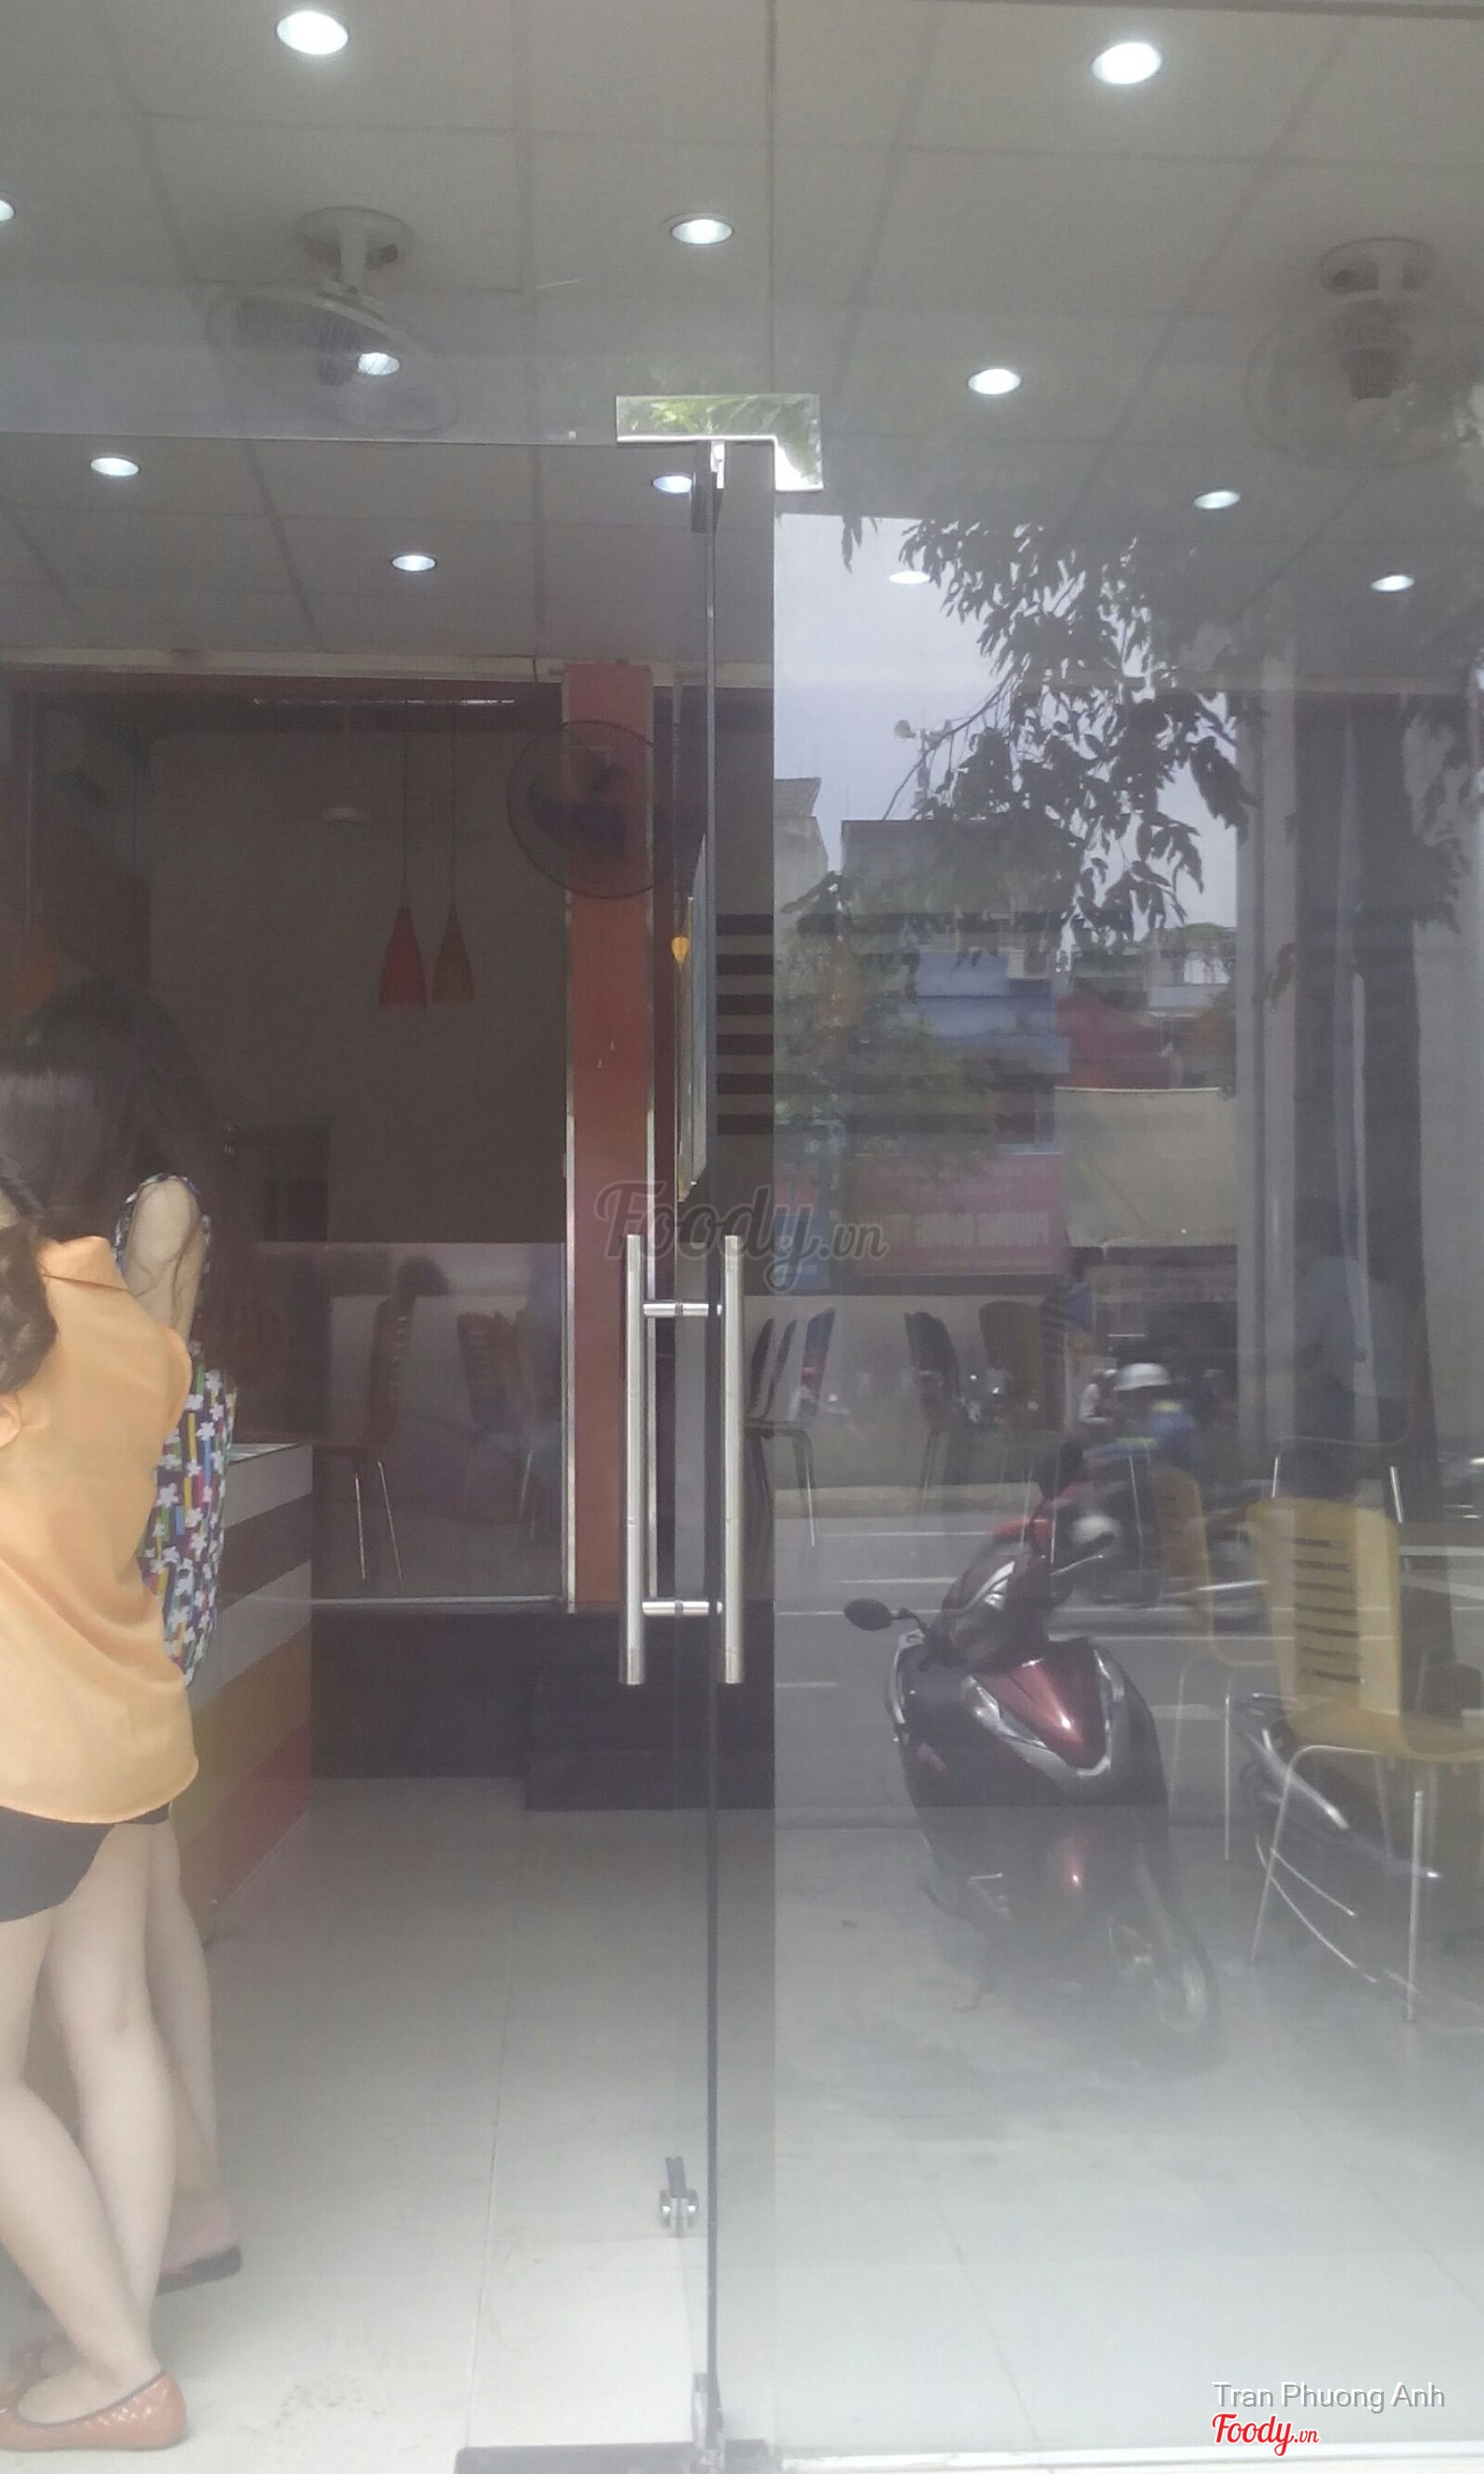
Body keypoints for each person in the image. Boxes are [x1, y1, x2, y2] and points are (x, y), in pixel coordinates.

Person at [13, 982, 269, 2298]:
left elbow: (127, 1379)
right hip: (129, 1530)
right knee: (139, 1902)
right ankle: (176, 2198)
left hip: (132, 1538)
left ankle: (187, 2195)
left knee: (138, 1899)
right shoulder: (135, 1201)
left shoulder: (153, 1205)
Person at [0, 1047, 194, 2449]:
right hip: (125, 1729)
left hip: (16, 1748)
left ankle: (121, 2377)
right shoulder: (136, 1332)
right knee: (114, 2031)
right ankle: (106, 2342)